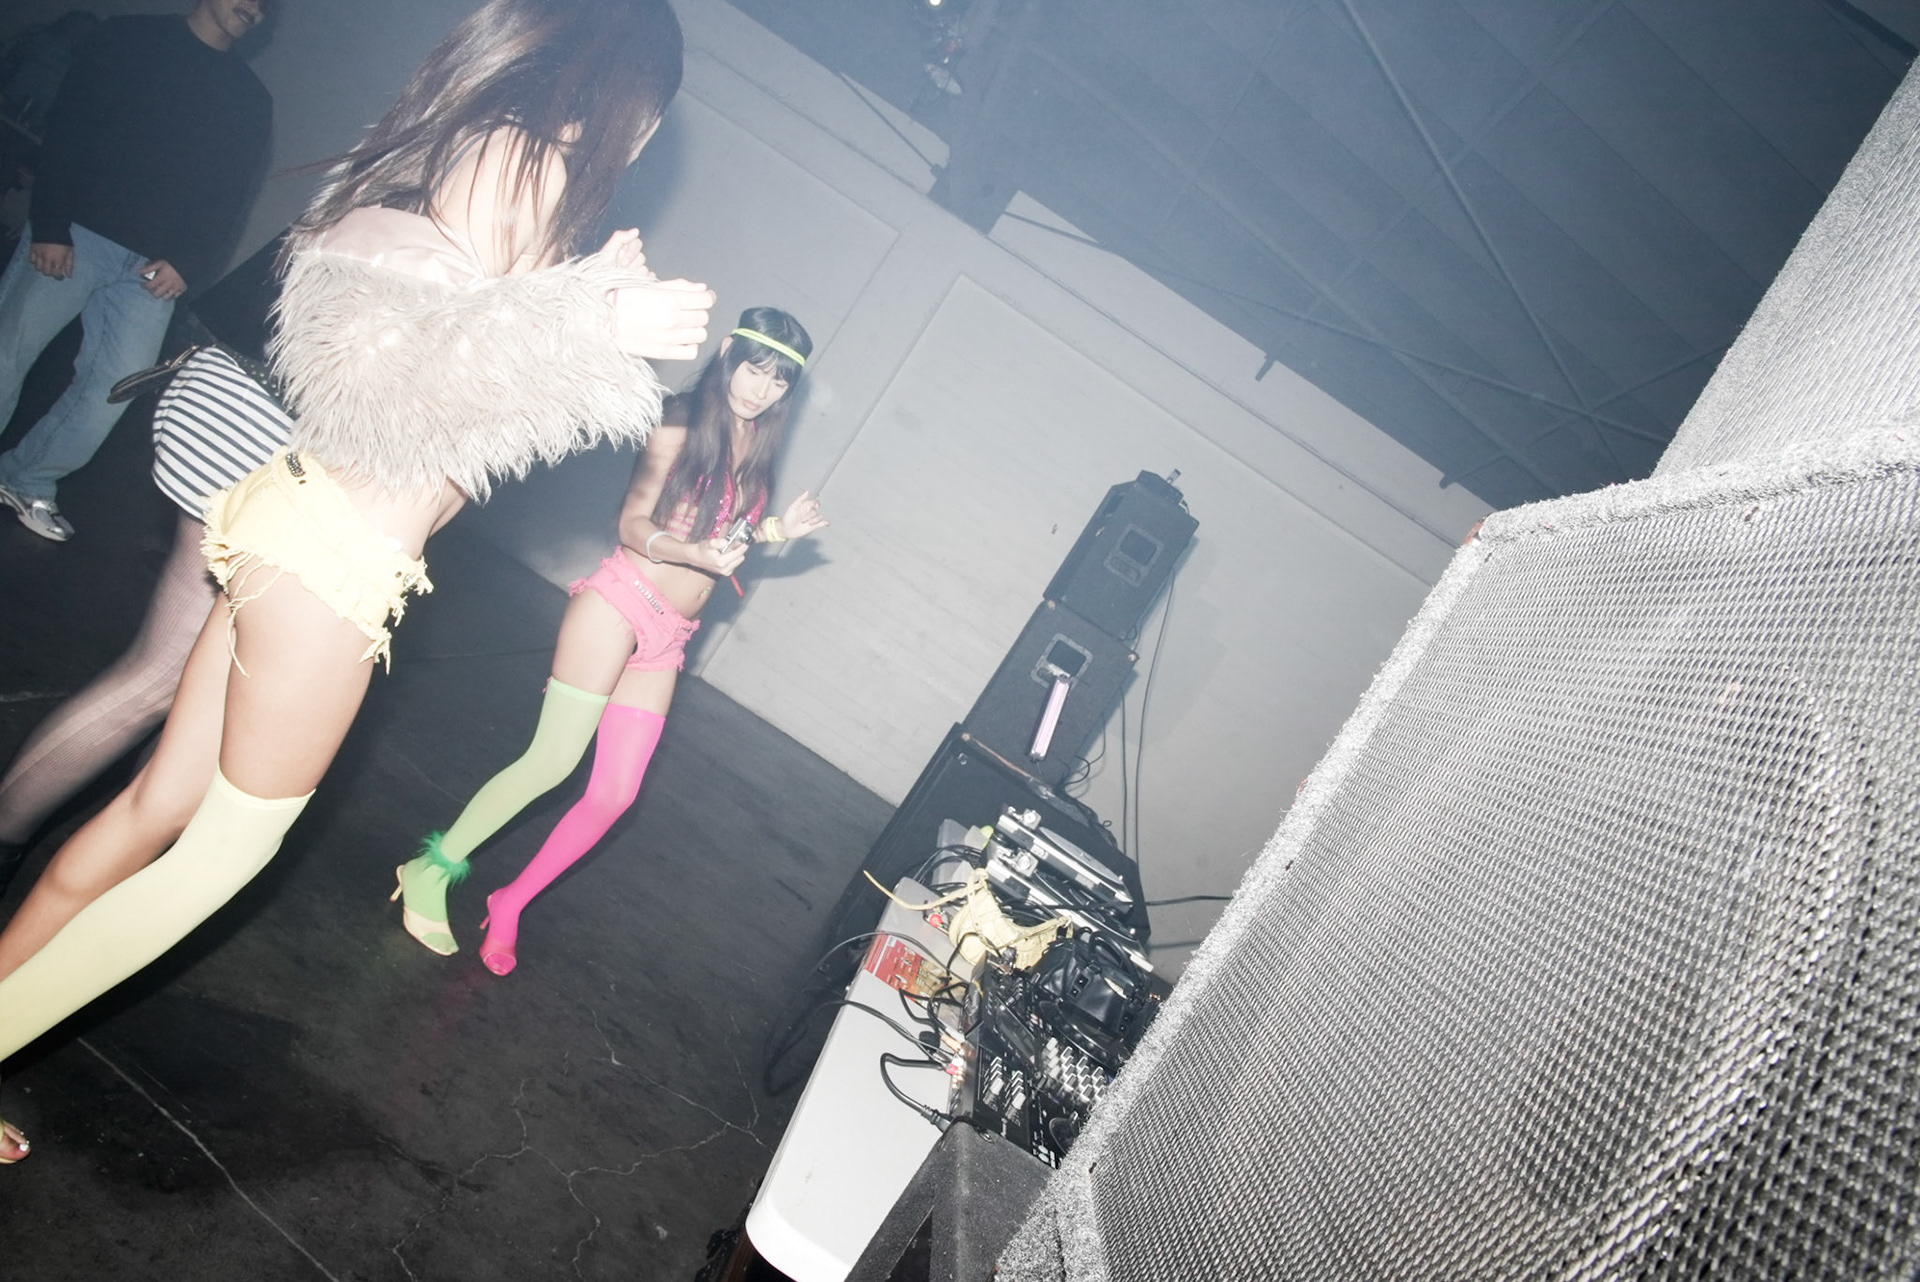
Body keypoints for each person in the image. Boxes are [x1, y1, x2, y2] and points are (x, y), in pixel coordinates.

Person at [0, 0, 714, 1159]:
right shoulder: (527, 160)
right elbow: (433, 381)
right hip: (334, 559)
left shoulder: (463, 139)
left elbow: (446, 327)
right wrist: (599, 325)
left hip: (288, 511)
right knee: (217, 861)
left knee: (153, 808)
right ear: (619, 88)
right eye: (651, 113)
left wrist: (584, 298)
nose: (642, 140)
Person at [396, 307, 827, 975]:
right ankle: (430, 870)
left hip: (670, 636)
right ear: (727, 353)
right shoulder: (679, 422)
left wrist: (776, 532)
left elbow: (722, 537)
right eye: (754, 369)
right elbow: (633, 523)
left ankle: (511, 902)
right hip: (621, 602)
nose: (760, 389)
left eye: (778, 382)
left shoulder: (755, 446)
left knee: (614, 795)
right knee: (551, 761)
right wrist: (691, 553)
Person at [0, 234, 288, 904]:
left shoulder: (399, 185)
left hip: (239, 391)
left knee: (198, 686)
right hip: (275, 426)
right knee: (170, 679)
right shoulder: (489, 212)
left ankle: (102, 885)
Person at [0, 0, 272, 541]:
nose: (256, 9)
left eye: (268, 6)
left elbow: (229, 196)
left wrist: (190, 263)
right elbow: (69, 126)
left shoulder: (250, 98)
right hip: (77, 233)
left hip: (152, 269)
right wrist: (50, 224)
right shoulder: (128, 39)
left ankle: (25, 478)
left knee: (116, 385)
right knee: (10, 350)